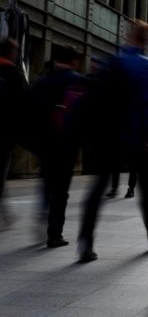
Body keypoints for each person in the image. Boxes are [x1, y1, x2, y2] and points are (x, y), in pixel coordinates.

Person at [78, 21, 148, 262]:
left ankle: (85, 241)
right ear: (145, 41)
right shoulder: (147, 67)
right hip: (137, 135)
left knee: (98, 188)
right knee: (146, 188)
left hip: (108, 135)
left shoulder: (111, 63)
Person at [28, 45, 87, 247]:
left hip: (45, 142)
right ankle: (54, 233)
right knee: (61, 190)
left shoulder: (42, 81)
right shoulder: (79, 82)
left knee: (46, 183)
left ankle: (43, 214)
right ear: (73, 61)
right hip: (67, 144)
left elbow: (31, 111)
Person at [0, 38, 27, 229]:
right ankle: (5, 213)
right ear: (13, 53)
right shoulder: (15, 75)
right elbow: (26, 105)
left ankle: (6, 213)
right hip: (4, 134)